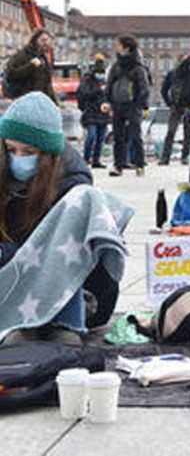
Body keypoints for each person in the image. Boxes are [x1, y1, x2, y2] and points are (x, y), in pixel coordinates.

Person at [0, 92, 119, 344]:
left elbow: (68, 253)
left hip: (67, 279)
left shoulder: (73, 185)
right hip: (14, 269)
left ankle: (63, 322)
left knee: (56, 251)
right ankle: (20, 322)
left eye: (28, 151)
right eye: (11, 149)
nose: (18, 158)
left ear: (48, 154)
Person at [102, 34, 150, 177]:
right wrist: (106, 101)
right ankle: (118, 165)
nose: (116, 47)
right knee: (118, 137)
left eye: (118, 45)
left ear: (126, 48)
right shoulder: (116, 66)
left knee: (135, 136)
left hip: (133, 106)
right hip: (117, 105)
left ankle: (140, 165)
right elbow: (109, 85)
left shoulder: (138, 68)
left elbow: (144, 88)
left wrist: (141, 105)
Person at [4, 29, 57, 103]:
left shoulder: (42, 58)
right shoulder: (22, 55)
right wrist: (31, 65)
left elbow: (47, 84)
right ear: (35, 40)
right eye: (43, 40)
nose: (46, 43)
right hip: (24, 101)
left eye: (48, 41)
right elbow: (10, 74)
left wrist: (55, 104)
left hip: (38, 101)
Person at [159, 55, 190, 166]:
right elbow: (164, 90)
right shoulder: (173, 74)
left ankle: (184, 157)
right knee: (171, 132)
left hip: (188, 106)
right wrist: (170, 103)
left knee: (187, 133)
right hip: (177, 106)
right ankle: (166, 157)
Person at [77, 55, 109, 168]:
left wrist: (108, 104)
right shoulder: (87, 79)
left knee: (101, 137)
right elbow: (85, 93)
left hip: (103, 112)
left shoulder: (105, 81)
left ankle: (96, 160)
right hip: (90, 111)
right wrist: (98, 90)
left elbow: (108, 96)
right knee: (91, 135)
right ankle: (86, 159)